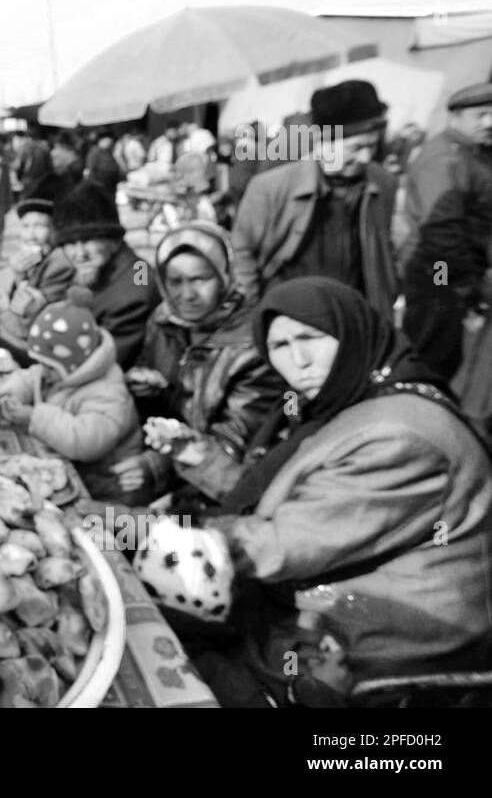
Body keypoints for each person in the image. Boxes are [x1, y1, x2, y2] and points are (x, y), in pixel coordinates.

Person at [183, 278, 492, 707]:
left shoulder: (400, 434)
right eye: (280, 346)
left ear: (350, 332)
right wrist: (198, 467)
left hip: (390, 639)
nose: (298, 361)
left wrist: (151, 538)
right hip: (326, 599)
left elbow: (287, 541)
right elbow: (284, 495)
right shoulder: (339, 403)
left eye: (310, 337)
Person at [111, 223, 284, 507]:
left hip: (209, 484)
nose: (187, 294)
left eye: (200, 279)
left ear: (224, 276)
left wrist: (159, 464)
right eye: (175, 281)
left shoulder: (251, 347)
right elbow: (161, 399)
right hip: (153, 455)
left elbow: (235, 439)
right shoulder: (164, 320)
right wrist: (143, 388)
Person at [231, 80, 398, 319]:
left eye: (372, 146)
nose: (365, 157)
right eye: (356, 147)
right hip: (287, 317)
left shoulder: (382, 184)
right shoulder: (270, 188)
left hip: (355, 318)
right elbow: (242, 253)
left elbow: (390, 249)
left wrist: (433, 281)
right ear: (324, 142)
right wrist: (253, 314)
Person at [0, 288, 143, 501]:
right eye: (40, 363)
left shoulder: (109, 393)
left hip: (105, 485)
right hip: (66, 467)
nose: (42, 371)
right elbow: (26, 379)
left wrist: (33, 416)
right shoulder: (53, 373)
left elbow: (84, 441)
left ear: (75, 365)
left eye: (49, 366)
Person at [397, 82, 492, 380]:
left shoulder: (470, 153)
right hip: (437, 271)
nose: (489, 123)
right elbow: (439, 232)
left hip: (449, 270)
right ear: (455, 117)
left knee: (444, 353)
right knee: (431, 354)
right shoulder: (445, 159)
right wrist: (463, 284)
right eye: (481, 114)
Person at [51, 181, 161, 367]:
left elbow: (102, 363)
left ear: (113, 238)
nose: (79, 253)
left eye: (87, 240)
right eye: (70, 243)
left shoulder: (134, 291)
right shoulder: (113, 267)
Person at [0, 176, 76, 358]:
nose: (31, 235)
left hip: (41, 349)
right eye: (26, 226)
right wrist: (18, 273)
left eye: (39, 226)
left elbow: (29, 324)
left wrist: (5, 310)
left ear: (54, 230)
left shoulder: (59, 263)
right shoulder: (38, 259)